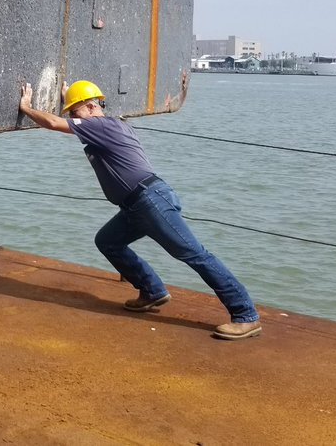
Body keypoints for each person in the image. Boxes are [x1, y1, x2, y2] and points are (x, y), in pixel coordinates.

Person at [18, 71, 262, 340]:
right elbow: (70, 120)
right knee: (108, 241)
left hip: (150, 201)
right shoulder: (107, 125)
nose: (76, 117)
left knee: (194, 254)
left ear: (92, 107)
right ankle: (152, 290)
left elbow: (54, 123)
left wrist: (26, 107)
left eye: (78, 111)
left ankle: (245, 315)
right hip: (137, 204)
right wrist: (70, 97)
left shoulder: (99, 126)